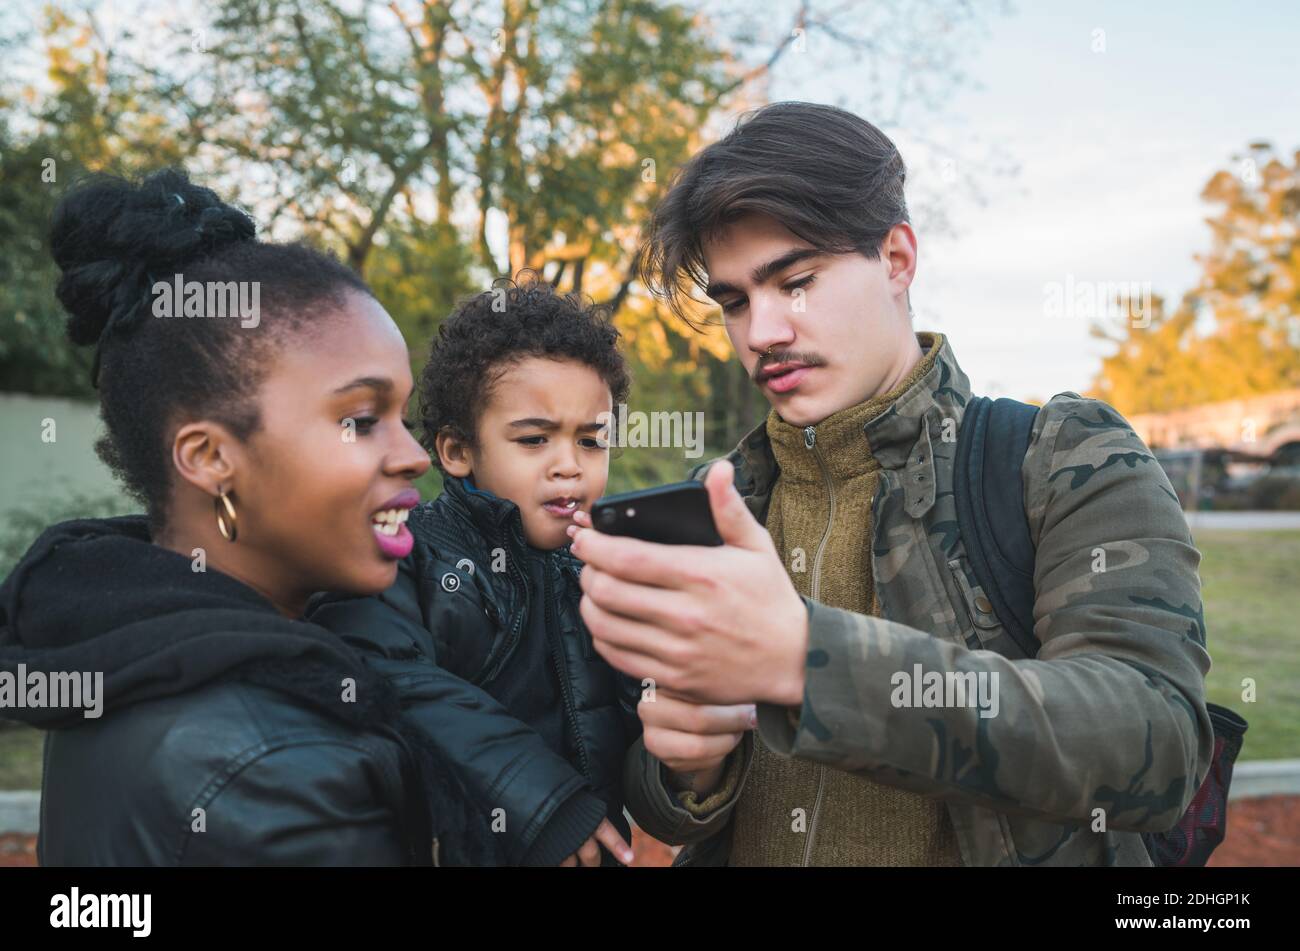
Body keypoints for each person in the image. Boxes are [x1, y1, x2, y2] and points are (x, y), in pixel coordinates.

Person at [569, 101, 1214, 866]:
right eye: (736, 300)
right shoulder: (720, 500)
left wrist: (808, 660)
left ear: (898, 259)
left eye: (796, 280)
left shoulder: (1060, 457)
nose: (762, 331)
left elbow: (1157, 742)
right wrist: (688, 767)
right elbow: (664, 807)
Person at [0, 168, 490, 865]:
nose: (414, 455)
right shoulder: (278, 766)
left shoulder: (121, 643)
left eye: (403, 417)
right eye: (360, 419)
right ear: (209, 458)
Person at [309, 278, 642, 866]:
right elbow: (384, 677)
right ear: (458, 452)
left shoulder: (605, 570)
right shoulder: (406, 558)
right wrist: (546, 803)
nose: (570, 466)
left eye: (592, 442)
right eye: (535, 440)